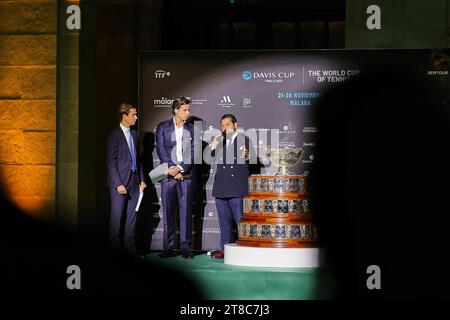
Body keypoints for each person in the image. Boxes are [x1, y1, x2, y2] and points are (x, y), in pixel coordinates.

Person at [208, 114, 255, 259]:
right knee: (224, 223)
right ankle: (224, 249)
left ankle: (245, 248)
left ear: (235, 125)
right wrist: (212, 147)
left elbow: (251, 160)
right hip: (221, 187)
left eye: (227, 124)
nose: (224, 127)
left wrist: (247, 155)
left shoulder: (244, 140)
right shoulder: (219, 141)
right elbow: (208, 159)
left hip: (236, 187)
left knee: (240, 221)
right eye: (222, 125)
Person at [156, 97, 196, 259]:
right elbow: (161, 150)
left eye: (188, 110)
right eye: (185, 110)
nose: (188, 113)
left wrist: (180, 169)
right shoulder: (162, 127)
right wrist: (172, 170)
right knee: (168, 211)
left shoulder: (193, 129)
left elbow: (194, 152)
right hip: (168, 176)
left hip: (185, 176)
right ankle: (169, 246)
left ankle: (185, 247)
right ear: (176, 110)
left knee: (186, 211)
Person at [106, 102, 146, 255]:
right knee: (117, 219)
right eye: (133, 114)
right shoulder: (113, 136)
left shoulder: (135, 135)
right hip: (119, 184)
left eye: (136, 114)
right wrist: (118, 184)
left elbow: (138, 159)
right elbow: (111, 161)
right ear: (124, 116)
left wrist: (142, 179)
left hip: (135, 182)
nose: (136, 117)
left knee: (131, 219)